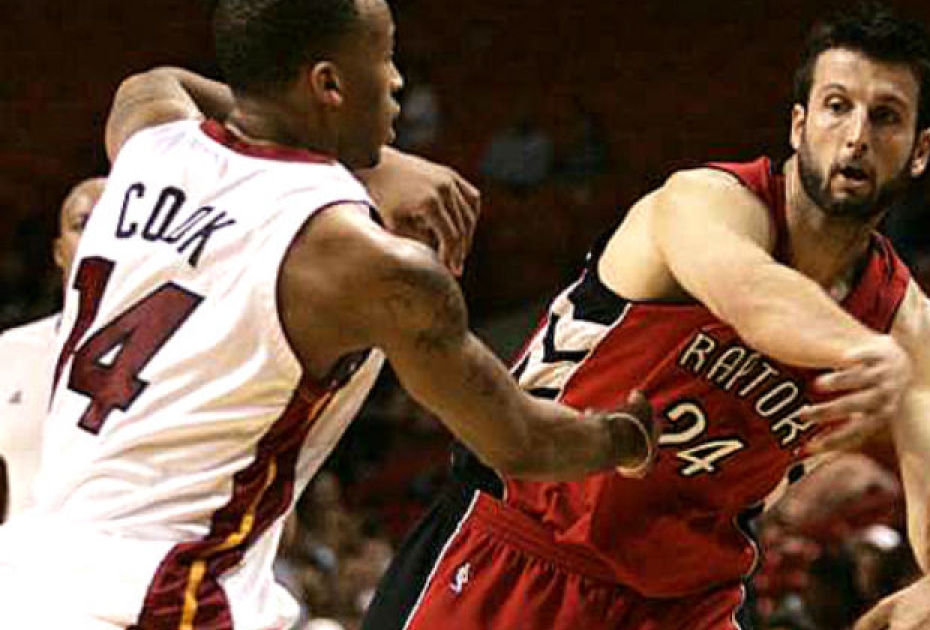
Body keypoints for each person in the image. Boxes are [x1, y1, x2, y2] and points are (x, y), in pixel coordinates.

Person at [0, 0, 657, 628]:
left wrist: (380, 161)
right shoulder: (362, 261)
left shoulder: (147, 139)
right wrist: (626, 438)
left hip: (31, 572)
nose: (397, 80)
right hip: (161, 599)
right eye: (385, 57)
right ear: (328, 83)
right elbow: (520, 441)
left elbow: (156, 80)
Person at [364, 4, 930, 630]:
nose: (856, 135)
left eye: (886, 116)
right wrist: (858, 348)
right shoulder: (703, 202)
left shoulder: (915, 334)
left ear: (921, 151)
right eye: (837, 106)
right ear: (798, 125)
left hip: (687, 605)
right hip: (522, 544)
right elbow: (751, 292)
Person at [0, 176, 104, 523]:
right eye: (83, 224)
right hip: (19, 554)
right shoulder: (11, 350)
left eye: (114, 219)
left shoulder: (177, 353)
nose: (99, 234)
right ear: (59, 252)